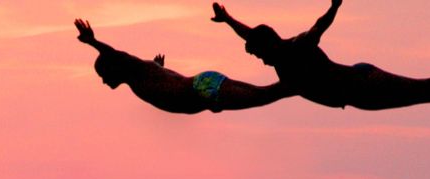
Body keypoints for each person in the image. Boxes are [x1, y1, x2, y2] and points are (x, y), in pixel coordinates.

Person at [210, 0, 430, 110]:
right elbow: (249, 34)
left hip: (364, 82)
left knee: (419, 90)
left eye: (260, 55)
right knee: (417, 95)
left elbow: (317, 28)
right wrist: (228, 18)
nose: (261, 61)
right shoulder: (273, 51)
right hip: (357, 98)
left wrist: (334, 6)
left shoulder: (295, 49)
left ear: (270, 45)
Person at [74, 19, 295, 114]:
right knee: (266, 93)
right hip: (204, 88)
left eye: (103, 75)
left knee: (267, 94)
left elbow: (114, 54)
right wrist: (159, 67)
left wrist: (92, 42)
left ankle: (304, 80)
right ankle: (300, 82)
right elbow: (156, 73)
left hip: (202, 89)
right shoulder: (144, 72)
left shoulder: (135, 73)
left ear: (114, 68)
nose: (103, 81)